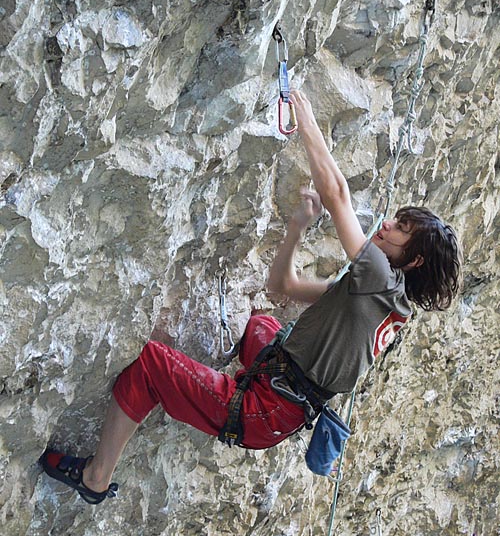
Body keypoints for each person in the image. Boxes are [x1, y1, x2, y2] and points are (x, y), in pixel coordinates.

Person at [40, 90, 462, 504]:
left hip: (266, 410)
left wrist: (306, 117)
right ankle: (217, 384)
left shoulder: (380, 279)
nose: (387, 225)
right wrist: (296, 230)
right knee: (262, 322)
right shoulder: (386, 301)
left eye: (401, 229)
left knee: (151, 363)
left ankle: (96, 477)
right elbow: (284, 290)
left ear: (415, 259)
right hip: (282, 392)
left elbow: (337, 194)